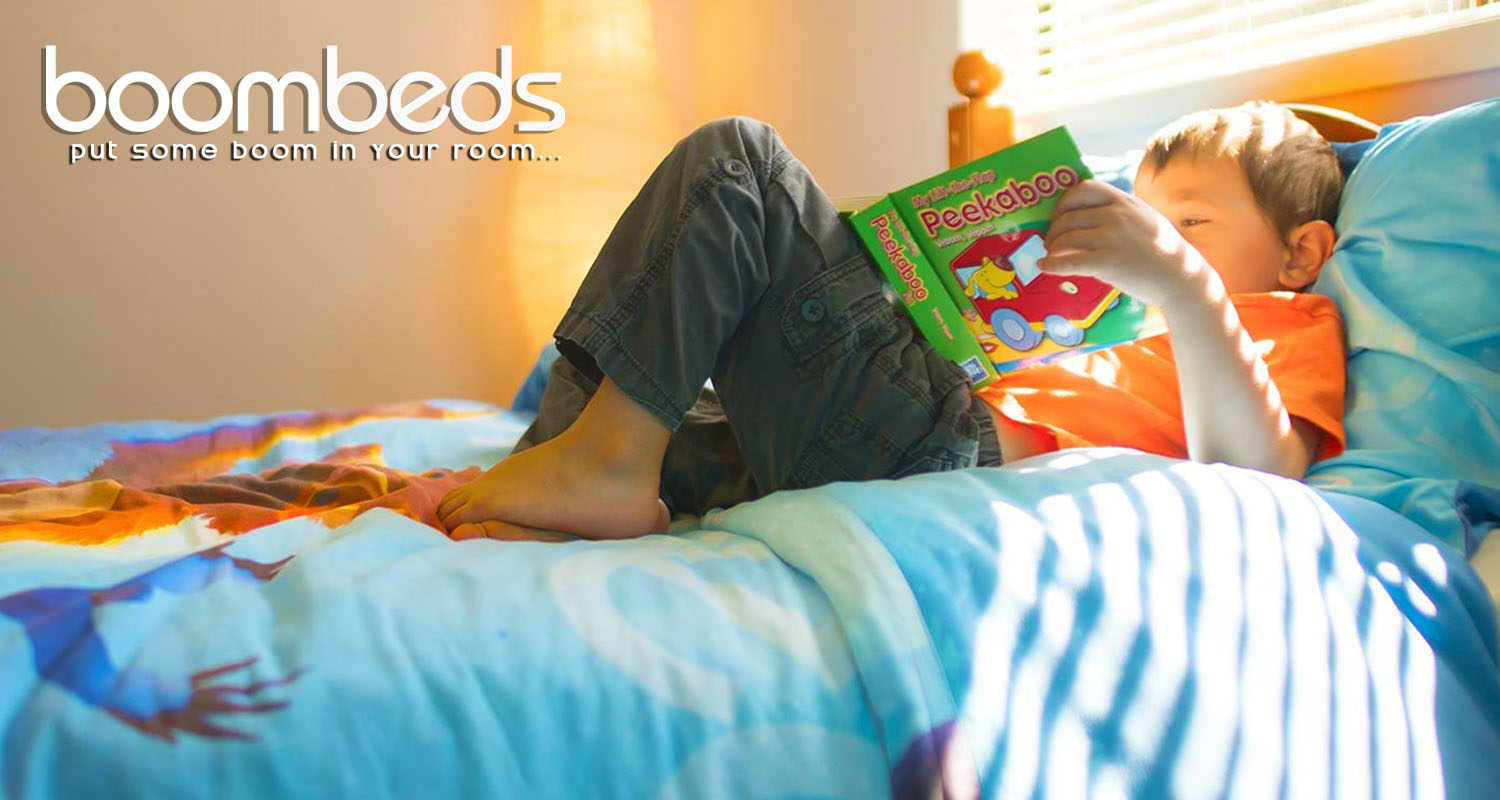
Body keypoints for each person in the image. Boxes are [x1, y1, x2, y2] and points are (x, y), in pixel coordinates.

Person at [436, 101, 1346, 542]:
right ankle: (569, 475)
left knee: (739, 160)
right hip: (875, 422)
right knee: (638, 346)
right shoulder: (1118, 324)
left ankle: (605, 468)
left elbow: (1263, 470)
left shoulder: (1282, 322)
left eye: (1190, 224)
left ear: (1300, 252)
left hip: (942, 448)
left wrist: (1183, 284)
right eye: (1143, 221)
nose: (1152, 246)